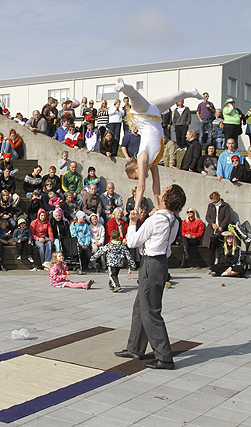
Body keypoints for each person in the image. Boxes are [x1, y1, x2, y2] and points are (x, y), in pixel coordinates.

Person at [115, 184, 186, 370]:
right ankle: (135, 348)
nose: (161, 191)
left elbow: (132, 241)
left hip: (151, 264)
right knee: (141, 306)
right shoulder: (174, 220)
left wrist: (132, 222)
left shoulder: (156, 220)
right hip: (160, 262)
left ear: (165, 198)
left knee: (151, 312)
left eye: (165, 191)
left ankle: (164, 357)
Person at [117, 78, 203, 211]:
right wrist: (157, 206)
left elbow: (142, 187)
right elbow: (156, 186)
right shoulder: (153, 163)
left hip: (143, 115)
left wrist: (136, 208)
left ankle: (124, 87)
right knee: (176, 96)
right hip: (154, 113)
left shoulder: (142, 159)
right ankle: (193, 93)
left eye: (137, 176)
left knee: (134, 97)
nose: (141, 177)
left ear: (136, 169)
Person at [203, 191, 231, 271]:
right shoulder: (210, 206)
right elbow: (207, 216)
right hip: (212, 230)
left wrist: (222, 225)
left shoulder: (225, 206)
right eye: (212, 200)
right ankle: (211, 266)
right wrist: (212, 223)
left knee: (221, 249)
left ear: (218, 198)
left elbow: (227, 217)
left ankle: (220, 265)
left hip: (221, 230)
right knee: (211, 249)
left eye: (214, 200)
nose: (213, 202)